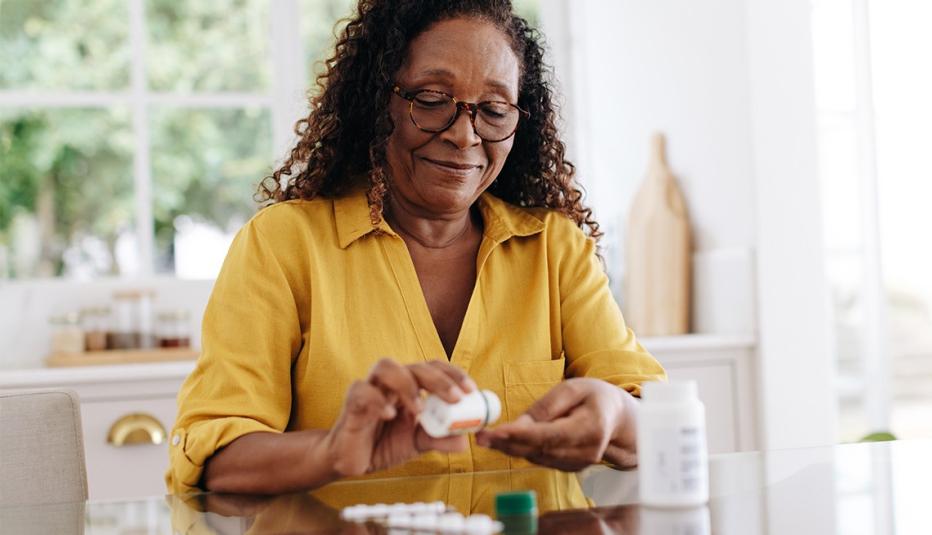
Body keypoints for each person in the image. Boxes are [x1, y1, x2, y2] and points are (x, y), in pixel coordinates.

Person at [166, 0, 666, 495]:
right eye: (430, 100)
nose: (464, 135)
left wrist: (617, 414)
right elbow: (217, 459)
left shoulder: (554, 249)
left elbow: (658, 420)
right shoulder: (285, 244)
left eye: (494, 110)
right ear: (377, 103)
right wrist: (333, 450)